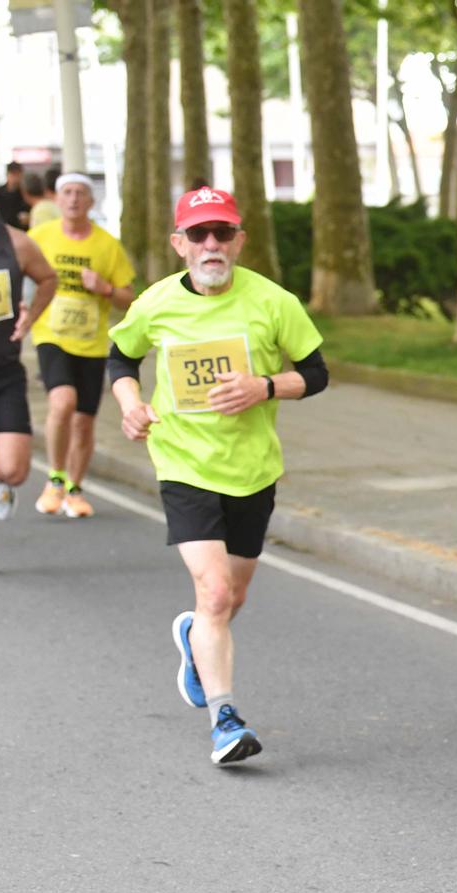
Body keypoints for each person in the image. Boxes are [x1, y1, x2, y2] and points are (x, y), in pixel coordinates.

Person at [107, 187, 330, 763]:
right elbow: (121, 357)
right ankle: (225, 719)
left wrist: (266, 386)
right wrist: (130, 402)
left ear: (239, 241)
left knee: (232, 596)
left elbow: (317, 372)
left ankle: (193, 640)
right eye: (199, 234)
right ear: (178, 243)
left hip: (253, 470)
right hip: (183, 464)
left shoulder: (273, 301)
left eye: (222, 233)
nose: (211, 244)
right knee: (214, 591)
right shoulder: (156, 304)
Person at [29, 173, 136, 518]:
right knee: (63, 401)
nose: (74, 199)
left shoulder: (106, 246)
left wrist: (104, 288)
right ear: (57, 200)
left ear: (92, 202)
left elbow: (127, 298)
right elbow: (17, 272)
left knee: (84, 422)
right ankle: (55, 479)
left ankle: (75, 489)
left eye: (81, 194)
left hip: (91, 343)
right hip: (51, 335)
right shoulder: (40, 237)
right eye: (67, 193)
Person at [0, 163, 58, 577]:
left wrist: (30, 318)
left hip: (4, 373)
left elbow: (48, 280)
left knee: (14, 470)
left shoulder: (18, 244)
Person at [0, 164, 28, 233]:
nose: (16, 178)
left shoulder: (25, 193)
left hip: (21, 231)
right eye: (13, 174)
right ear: (7, 174)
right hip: (2, 230)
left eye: (18, 175)